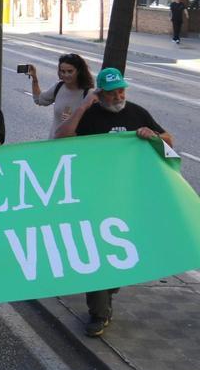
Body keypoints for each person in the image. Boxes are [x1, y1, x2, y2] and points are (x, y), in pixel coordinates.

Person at [54, 67, 173, 338]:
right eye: (112, 92)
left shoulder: (137, 113)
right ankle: (99, 312)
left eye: (121, 89)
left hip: (128, 196)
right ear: (101, 94)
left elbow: (169, 141)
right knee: (97, 254)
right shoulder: (90, 115)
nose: (119, 95)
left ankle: (110, 288)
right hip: (94, 197)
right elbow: (62, 136)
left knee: (121, 254)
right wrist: (84, 106)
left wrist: (153, 136)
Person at [27, 53, 93, 139]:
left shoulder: (89, 93)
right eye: (63, 71)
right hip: (54, 143)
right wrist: (34, 78)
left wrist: (73, 120)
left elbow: (93, 124)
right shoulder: (59, 87)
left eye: (70, 71)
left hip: (76, 145)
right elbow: (39, 100)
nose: (66, 75)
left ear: (79, 71)